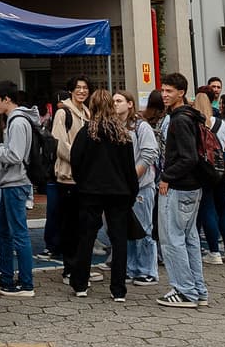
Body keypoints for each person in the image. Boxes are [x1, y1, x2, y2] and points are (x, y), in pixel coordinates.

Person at [66, 90, 137, 301]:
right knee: (119, 239)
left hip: (90, 191)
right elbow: (129, 169)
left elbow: (75, 162)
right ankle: (118, 289)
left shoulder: (86, 132)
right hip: (119, 192)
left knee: (86, 237)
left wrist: (82, 182)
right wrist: (132, 192)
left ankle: (80, 283)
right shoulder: (122, 135)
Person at [155, 75, 209, 309]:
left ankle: (185, 291)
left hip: (178, 187)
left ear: (181, 92)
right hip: (192, 187)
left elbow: (188, 157)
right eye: (163, 90)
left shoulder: (180, 120)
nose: (165, 94)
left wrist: (167, 176)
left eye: (169, 91)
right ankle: (197, 289)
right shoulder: (191, 116)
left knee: (172, 241)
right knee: (189, 239)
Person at [0, 83, 38, 297]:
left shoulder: (17, 122)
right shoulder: (18, 119)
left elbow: (14, 155)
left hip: (16, 183)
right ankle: (7, 277)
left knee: (18, 234)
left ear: (7, 99)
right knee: (5, 232)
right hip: (11, 183)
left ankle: (26, 283)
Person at [43, 79, 90, 268]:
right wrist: (82, 161)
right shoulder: (63, 113)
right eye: (78, 88)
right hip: (68, 176)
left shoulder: (87, 112)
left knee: (82, 224)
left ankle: (79, 268)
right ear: (70, 90)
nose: (81, 91)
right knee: (69, 224)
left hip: (85, 177)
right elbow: (60, 143)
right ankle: (70, 269)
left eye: (85, 88)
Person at [196, 99, 225, 266]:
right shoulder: (222, 124)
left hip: (204, 172)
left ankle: (213, 252)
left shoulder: (195, 124)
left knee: (208, 209)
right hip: (222, 170)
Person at [125, 91, 161, 286]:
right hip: (124, 187)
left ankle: (148, 270)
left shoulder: (141, 126)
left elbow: (149, 153)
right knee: (128, 229)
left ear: (129, 104)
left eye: (119, 101)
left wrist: (133, 176)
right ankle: (131, 268)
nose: (115, 104)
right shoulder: (118, 126)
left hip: (142, 185)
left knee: (144, 228)